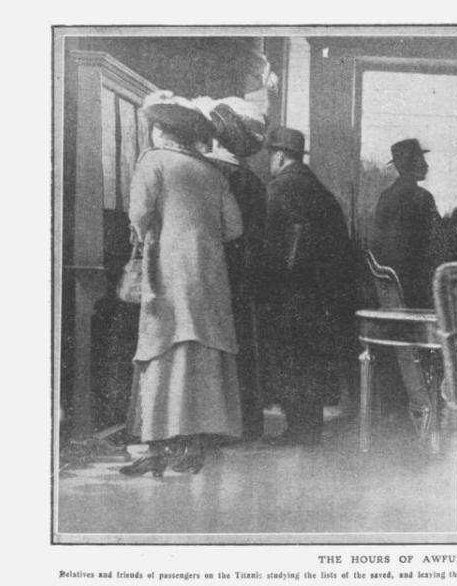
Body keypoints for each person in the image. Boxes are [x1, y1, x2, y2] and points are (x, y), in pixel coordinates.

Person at [121, 91, 243, 477]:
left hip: (167, 269)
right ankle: (191, 446)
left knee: (162, 349)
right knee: (199, 350)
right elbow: (234, 228)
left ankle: (155, 447)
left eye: (155, 128)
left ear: (162, 131)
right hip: (208, 274)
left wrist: (152, 234)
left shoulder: (153, 161)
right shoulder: (212, 171)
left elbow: (139, 214)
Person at [259, 126, 356, 446]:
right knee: (310, 361)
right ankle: (309, 427)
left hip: (287, 291)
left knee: (288, 358)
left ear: (279, 156)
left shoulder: (278, 190)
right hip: (321, 294)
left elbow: (268, 244)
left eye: (270, 156)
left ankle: (296, 430)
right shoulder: (323, 193)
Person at [196, 97, 268, 441]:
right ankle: (246, 424)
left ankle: (211, 425)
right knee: (242, 344)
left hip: (211, 270)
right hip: (244, 273)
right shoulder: (251, 182)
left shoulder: (205, 172)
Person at [370, 138, 442, 308]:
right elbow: (438, 243)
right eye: (421, 159)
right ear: (410, 164)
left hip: (391, 286)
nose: (425, 165)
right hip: (418, 289)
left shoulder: (386, 197)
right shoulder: (423, 198)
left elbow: (377, 243)